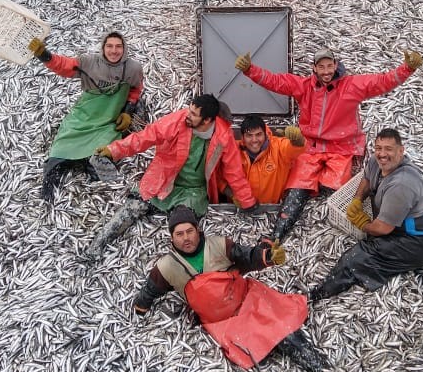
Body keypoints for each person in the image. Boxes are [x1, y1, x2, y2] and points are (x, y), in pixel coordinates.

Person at [133, 206, 344, 372]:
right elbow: (151, 290)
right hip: (221, 323)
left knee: (283, 330)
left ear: (198, 230)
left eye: (189, 231)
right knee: (250, 349)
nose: (186, 238)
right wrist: (140, 307)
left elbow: (247, 257)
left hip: (248, 299)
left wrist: (266, 257)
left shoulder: (218, 245)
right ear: (172, 238)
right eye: (179, 234)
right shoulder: (166, 267)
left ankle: (322, 370)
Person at [234, 47, 423, 243]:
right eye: (321, 67)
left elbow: (382, 82)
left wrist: (407, 69)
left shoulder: (352, 86)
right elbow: (276, 81)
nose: (326, 71)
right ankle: (275, 238)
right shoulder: (304, 86)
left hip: (341, 148)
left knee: (342, 194)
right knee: (297, 187)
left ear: (335, 65)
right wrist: (250, 69)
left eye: (329, 66)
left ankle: (371, 231)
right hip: (310, 148)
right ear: (314, 68)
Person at [88, 94, 257, 258]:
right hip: (164, 179)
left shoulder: (223, 136)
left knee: (183, 224)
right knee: (132, 208)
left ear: (207, 120)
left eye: (193, 114)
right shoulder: (178, 121)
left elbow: (234, 172)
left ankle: (180, 265)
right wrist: (114, 150)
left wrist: (247, 201)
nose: (187, 115)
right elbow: (147, 136)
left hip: (193, 191)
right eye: (189, 110)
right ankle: (96, 246)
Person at [308, 128, 423, 301]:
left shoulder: (401, 184)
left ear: (401, 151)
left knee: (355, 258)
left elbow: (382, 229)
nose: (382, 154)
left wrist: (363, 224)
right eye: (378, 148)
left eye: (388, 149)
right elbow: (367, 178)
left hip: (418, 243)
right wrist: (357, 199)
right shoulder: (377, 161)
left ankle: (317, 295)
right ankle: (407, 269)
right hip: (399, 226)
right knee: (374, 231)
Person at [28, 32, 144, 202]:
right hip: (85, 114)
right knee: (63, 141)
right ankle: (52, 178)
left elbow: (135, 89)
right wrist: (43, 55)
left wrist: (127, 111)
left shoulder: (133, 68)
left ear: (124, 48)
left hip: (108, 119)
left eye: (118, 46)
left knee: (107, 146)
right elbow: (64, 66)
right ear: (103, 48)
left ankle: (91, 167)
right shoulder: (89, 62)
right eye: (109, 46)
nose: (114, 51)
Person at [227, 115, 306, 205]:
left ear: (265, 134)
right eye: (249, 136)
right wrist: (231, 194)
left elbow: (294, 149)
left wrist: (298, 141)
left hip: (272, 209)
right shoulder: (233, 151)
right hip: (239, 209)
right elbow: (219, 176)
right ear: (242, 137)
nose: (254, 140)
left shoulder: (278, 147)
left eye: (258, 134)